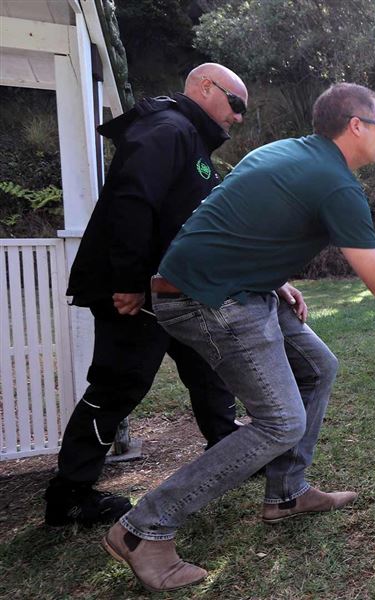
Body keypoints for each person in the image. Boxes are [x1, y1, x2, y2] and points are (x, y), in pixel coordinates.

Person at [102, 83, 375, 592]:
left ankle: (287, 492)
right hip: (207, 297)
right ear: (356, 126)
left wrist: (274, 279)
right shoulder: (335, 183)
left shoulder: (286, 152)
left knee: (319, 367)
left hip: (236, 287)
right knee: (280, 422)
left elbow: (232, 219)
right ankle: (143, 528)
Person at [45, 63, 249, 528]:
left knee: (207, 365)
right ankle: (69, 495)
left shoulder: (191, 139)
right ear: (204, 87)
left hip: (171, 290)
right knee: (119, 384)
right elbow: (131, 200)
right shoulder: (167, 128)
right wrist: (130, 280)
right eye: (235, 104)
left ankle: (230, 449)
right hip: (135, 291)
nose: (238, 117)